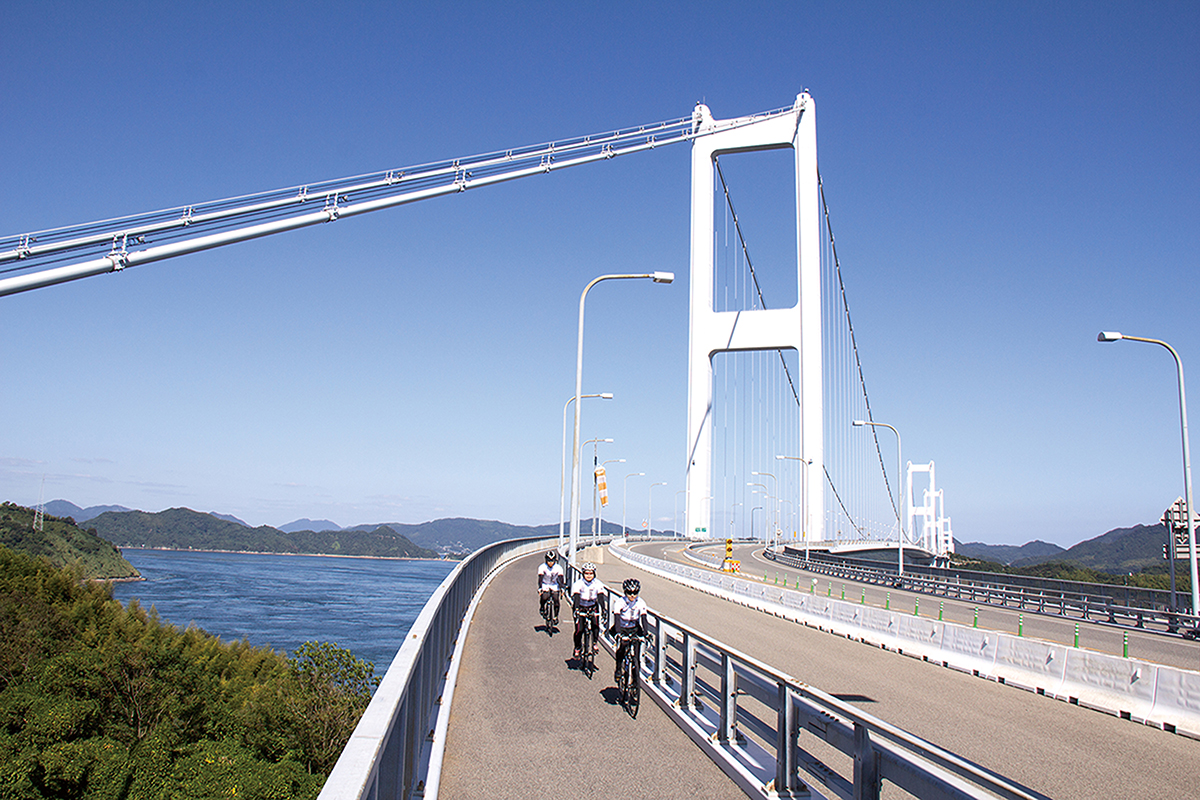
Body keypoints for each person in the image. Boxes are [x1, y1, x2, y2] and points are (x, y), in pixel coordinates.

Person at [609, 577, 648, 683]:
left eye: (635, 593)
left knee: (636, 656)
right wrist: (618, 633)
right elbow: (616, 618)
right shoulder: (620, 602)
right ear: (625, 592)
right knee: (622, 648)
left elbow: (644, 619)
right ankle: (618, 669)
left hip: (634, 628)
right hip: (622, 628)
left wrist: (645, 633)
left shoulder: (641, 603)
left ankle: (636, 680)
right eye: (629, 592)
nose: (632, 595)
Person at [570, 562, 605, 658]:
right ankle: (577, 647)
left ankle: (594, 643)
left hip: (593, 606)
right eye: (586, 573)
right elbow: (576, 597)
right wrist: (576, 610)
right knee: (579, 629)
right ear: (583, 574)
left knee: (596, 626)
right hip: (580, 606)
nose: (589, 576)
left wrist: (604, 609)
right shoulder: (578, 584)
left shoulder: (597, 584)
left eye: (591, 573)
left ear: (594, 574)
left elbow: (600, 597)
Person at [537, 549, 565, 626]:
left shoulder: (558, 568)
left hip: (554, 584)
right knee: (545, 597)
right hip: (545, 584)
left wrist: (562, 588)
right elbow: (540, 578)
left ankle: (555, 616)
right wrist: (540, 588)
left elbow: (560, 578)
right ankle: (542, 607)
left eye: (552, 560)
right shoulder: (542, 567)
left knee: (556, 600)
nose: (550, 562)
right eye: (549, 560)